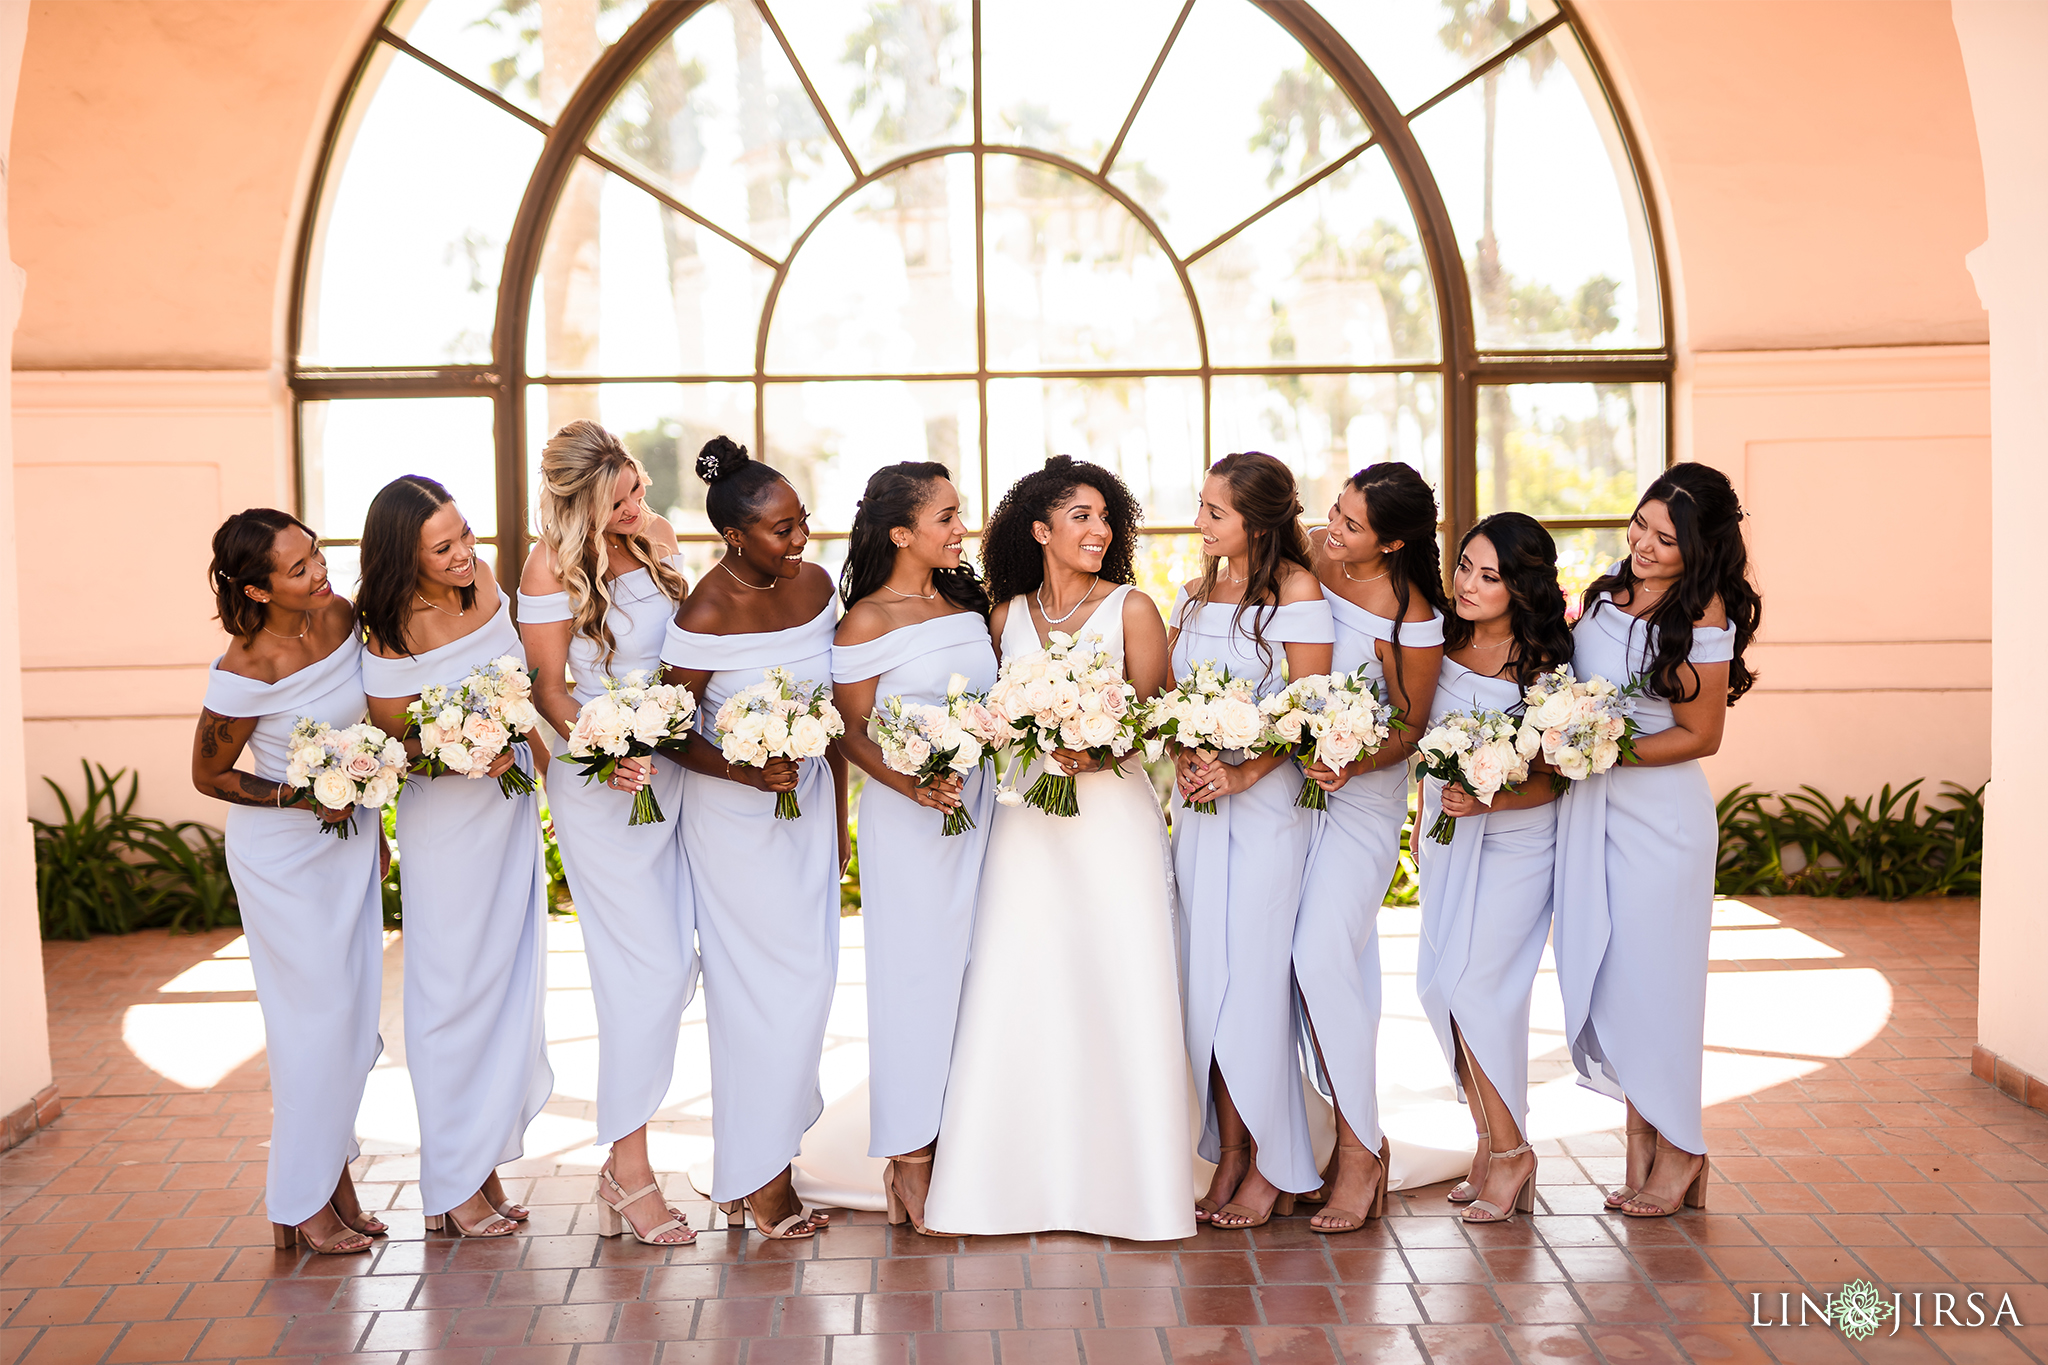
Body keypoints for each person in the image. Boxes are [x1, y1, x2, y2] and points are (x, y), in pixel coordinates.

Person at [923, 456, 1194, 1241]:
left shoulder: (1133, 609)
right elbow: (993, 713)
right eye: (1081, 515)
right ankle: (1007, 1181)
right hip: (1027, 831)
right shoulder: (1005, 617)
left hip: (1114, 828)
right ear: (1040, 530)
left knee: (1122, 979)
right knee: (1021, 981)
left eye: (1106, 517)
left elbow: (1159, 719)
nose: (1099, 530)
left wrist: (1100, 750)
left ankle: (1135, 1187)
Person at [1553, 463, 1760, 1219]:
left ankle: (1682, 1148)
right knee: (1613, 978)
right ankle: (1640, 1140)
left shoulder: (1701, 613)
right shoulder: (1608, 594)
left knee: (1659, 987)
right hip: (1594, 810)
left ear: (1698, 549)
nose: (1643, 544)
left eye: (1665, 539)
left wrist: (1604, 748)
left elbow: (1700, 734)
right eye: (1640, 525)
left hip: (1660, 821)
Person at [359, 476, 553, 1239]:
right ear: (404, 557)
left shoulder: (488, 587)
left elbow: (524, 689)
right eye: (445, 548)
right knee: (452, 994)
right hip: (446, 825)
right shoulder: (386, 629)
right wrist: (457, 746)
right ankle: (450, 1184)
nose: (466, 553)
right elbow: (389, 746)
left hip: (509, 814)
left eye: (465, 534)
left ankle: (482, 1162)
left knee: (506, 984)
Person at [660, 437, 844, 1241]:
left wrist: (838, 820)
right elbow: (665, 730)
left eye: (801, 520)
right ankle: (763, 1180)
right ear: (736, 538)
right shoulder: (705, 609)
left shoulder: (819, 585)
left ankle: (760, 1159)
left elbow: (834, 706)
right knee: (754, 994)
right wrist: (738, 772)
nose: (799, 538)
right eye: (780, 528)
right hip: (734, 823)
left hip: (806, 808)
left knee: (809, 987)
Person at [518, 421, 695, 1246]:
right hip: (600, 789)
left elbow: (691, 650)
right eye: (622, 496)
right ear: (584, 500)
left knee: (680, 960)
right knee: (646, 971)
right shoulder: (546, 567)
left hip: (674, 778)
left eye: (639, 488)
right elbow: (548, 689)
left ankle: (625, 1161)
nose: (642, 503)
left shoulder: (656, 542)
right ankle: (630, 1166)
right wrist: (607, 747)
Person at [192, 510, 386, 1255]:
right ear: (255, 587)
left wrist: (371, 831)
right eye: (298, 567)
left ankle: (335, 1183)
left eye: (316, 554)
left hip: (347, 840)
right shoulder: (245, 669)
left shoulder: (337, 615)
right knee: (313, 1024)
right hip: (283, 860)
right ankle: (301, 1201)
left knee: (349, 1016)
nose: (319, 571)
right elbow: (209, 774)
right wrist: (300, 796)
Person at [829, 462, 998, 1236]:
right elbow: (851, 731)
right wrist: (913, 784)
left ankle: (965, 1141)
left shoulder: (966, 599)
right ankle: (911, 1155)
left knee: (973, 977)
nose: (962, 527)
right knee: (914, 981)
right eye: (947, 516)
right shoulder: (866, 619)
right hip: (911, 819)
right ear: (902, 533)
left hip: (981, 811)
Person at [1170, 451, 1334, 1230]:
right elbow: (1170, 698)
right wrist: (1184, 752)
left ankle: (1277, 1159)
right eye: (1201, 506)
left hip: (1268, 811)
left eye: (1214, 512)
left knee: (1257, 982)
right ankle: (1228, 1150)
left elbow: (1308, 712)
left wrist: (1242, 772)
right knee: (1209, 981)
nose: (1199, 522)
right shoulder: (1197, 591)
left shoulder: (1297, 593)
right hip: (1198, 811)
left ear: (1258, 522)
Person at [1290, 463, 1448, 1233]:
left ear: (1391, 542)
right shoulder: (1316, 558)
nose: (1333, 528)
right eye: (1334, 512)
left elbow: (1411, 726)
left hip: (1362, 800)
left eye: (1352, 524)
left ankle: (1360, 1151)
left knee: (1319, 952)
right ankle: (1314, 1135)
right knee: (1318, 964)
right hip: (1291, 794)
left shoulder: (1411, 615)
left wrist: (1356, 757)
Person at [1414, 514, 1574, 1224]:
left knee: (1479, 990)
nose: (1469, 584)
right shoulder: (1440, 644)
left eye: (1491, 575)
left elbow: (1560, 778)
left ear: (1522, 585)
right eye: (1465, 567)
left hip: (1516, 843)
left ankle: (1513, 1154)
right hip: (1447, 836)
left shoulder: (1542, 666)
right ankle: (1488, 1141)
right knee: (1439, 988)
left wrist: (1493, 796)